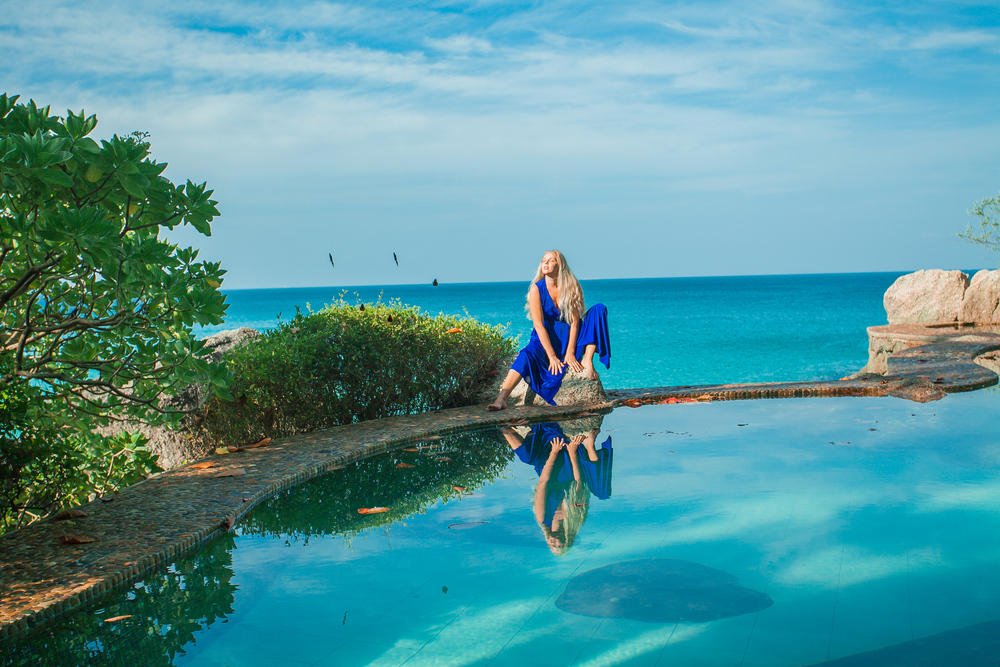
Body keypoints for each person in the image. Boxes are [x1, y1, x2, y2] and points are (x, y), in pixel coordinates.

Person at [487, 250, 611, 410]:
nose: (545, 263)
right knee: (526, 355)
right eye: (543, 260)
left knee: (599, 309)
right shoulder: (536, 289)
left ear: (560, 266)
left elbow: (574, 322)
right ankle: (501, 398)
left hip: (570, 336)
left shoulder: (571, 286)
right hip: (544, 337)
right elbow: (538, 325)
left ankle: (587, 360)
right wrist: (552, 357)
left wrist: (570, 352)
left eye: (551, 261)